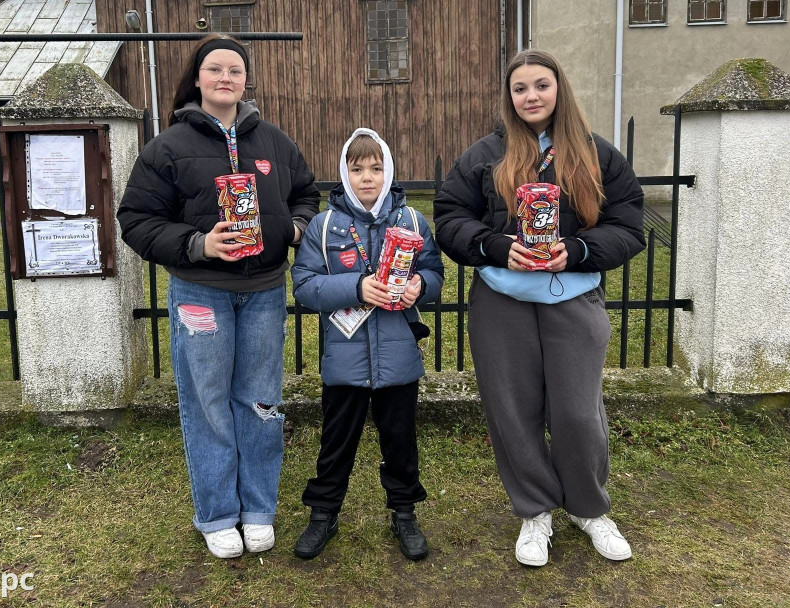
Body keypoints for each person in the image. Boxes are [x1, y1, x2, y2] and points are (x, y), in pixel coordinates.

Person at [433, 50, 644, 567]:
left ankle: (590, 508)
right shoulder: (485, 154)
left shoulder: (597, 155)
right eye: (520, 88)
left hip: (572, 297)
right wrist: (495, 245)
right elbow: (449, 216)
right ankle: (535, 511)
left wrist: (576, 251)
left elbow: (629, 224)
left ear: (559, 89)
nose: (530, 96)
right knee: (512, 411)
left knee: (576, 412)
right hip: (501, 300)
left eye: (541, 85)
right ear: (509, 97)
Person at [117, 34, 320, 559]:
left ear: (246, 79)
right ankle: (216, 514)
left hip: (263, 291)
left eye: (235, 69)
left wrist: (297, 228)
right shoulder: (167, 147)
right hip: (200, 292)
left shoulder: (274, 141)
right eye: (215, 69)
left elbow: (306, 193)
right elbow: (136, 221)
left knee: (259, 401)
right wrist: (197, 244)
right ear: (198, 78)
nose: (225, 77)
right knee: (206, 403)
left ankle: (257, 510)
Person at [290, 128, 444, 561]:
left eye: (376, 168)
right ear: (344, 173)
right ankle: (323, 514)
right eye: (357, 169)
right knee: (336, 441)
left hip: (398, 355)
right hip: (344, 358)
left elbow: (434, 275)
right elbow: (304, 285)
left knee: (400, 439)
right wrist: (357, 287)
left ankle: (404, 513)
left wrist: (419, 285)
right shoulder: (324, 226)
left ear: (388, 170)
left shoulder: (412, 222)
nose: (367, 178)